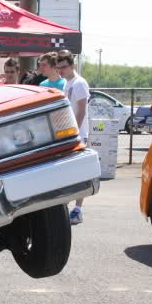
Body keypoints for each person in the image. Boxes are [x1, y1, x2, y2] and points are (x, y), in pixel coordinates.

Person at [56, 49, 90, 225]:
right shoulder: (67, 83)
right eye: (58, 67)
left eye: (63, 67)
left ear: (72, 66)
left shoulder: (79, 83)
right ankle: (69, 207)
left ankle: (78, 210)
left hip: (78, 135)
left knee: (79, 173)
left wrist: (74, 133)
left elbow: (82, 111)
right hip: (70, 134)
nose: (60, 70)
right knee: (69, 172)